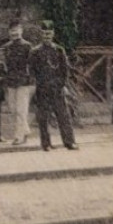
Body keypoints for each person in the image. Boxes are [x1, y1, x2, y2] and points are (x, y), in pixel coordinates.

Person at [28, 19, 77, 151]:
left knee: (63, 115)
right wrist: (37, 84)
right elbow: (31, 70)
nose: (47, 37)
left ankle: (69, 142)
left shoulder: (59, 50)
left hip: (57, 88)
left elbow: (64, 70)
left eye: (49, 34)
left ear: (53, 34)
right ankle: (46, 144)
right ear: (41, 35)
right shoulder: (35, 52)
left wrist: (61, 84)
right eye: (44, 34)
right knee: (43, 117)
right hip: (42, 88)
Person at [0, 21, 35, 145]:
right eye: (12, 30)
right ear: (9, 32)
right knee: (12, 109)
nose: (14, 33)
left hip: (23, 81)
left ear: (21, 31)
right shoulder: (6, 47)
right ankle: (25, 130)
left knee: (21, 109)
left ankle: (18, 136)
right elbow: (5, 64)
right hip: (11, 81)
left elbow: (31, 64)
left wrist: (31, 80)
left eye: (16, 30)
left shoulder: (27, 46)